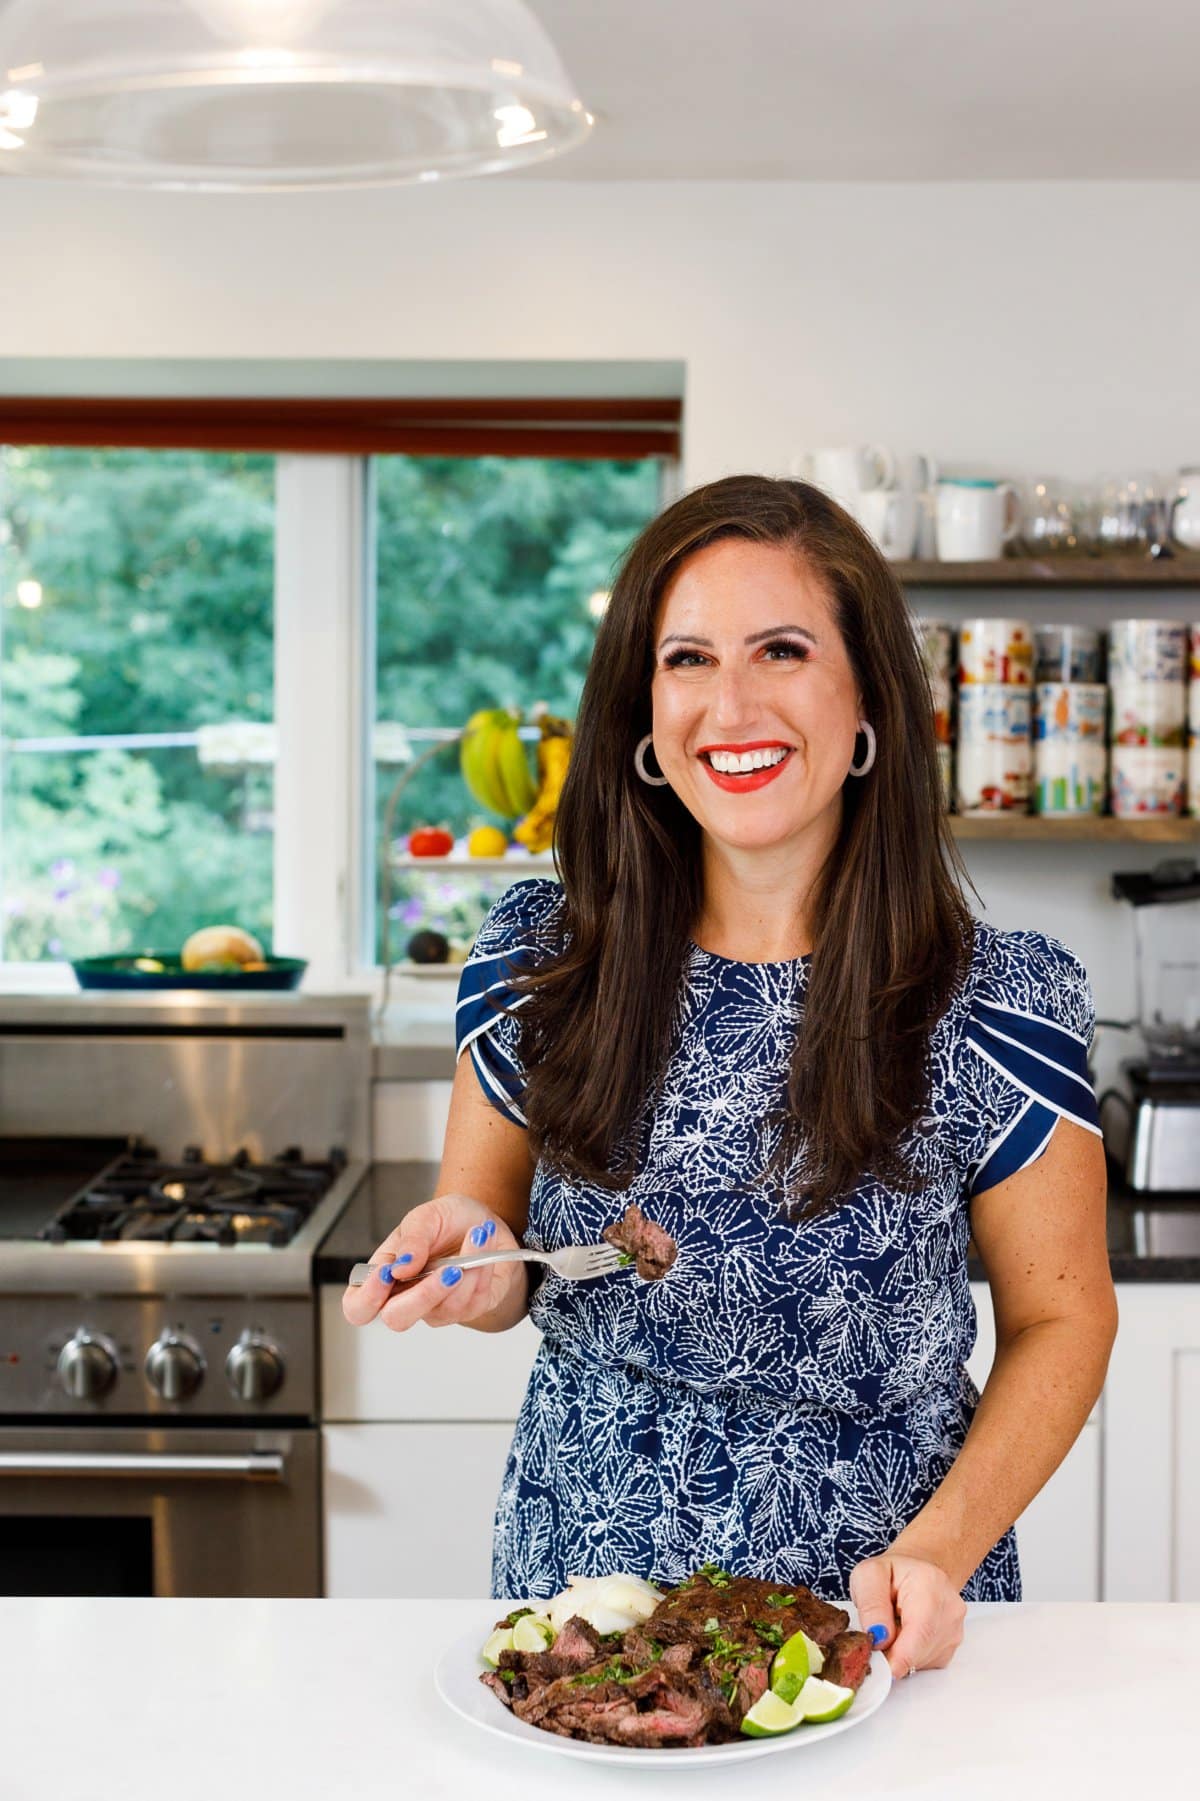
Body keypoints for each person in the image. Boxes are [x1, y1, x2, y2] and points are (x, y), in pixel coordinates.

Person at [343, 474, 1116, 1681]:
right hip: (584, 1606)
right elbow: (499, 1275)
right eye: (689, 658)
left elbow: (1064, 1317)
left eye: (783, 650)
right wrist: (469, 1260)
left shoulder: (1000, 1001)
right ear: (645, 718)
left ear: (868, 701)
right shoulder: (539, 962)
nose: (731, 703)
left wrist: (942, 1552)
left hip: (876, 1623)